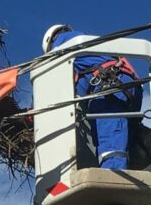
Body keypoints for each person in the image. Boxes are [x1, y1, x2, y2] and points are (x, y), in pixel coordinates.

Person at [42, 24, 142, 170]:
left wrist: (35, 111)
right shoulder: (89, 45)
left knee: (110, 138)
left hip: (109, 88)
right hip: (128, 89)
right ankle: (127, 176)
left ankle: (113, 178)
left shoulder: (63, 42)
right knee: (124, 141)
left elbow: (49, 81)